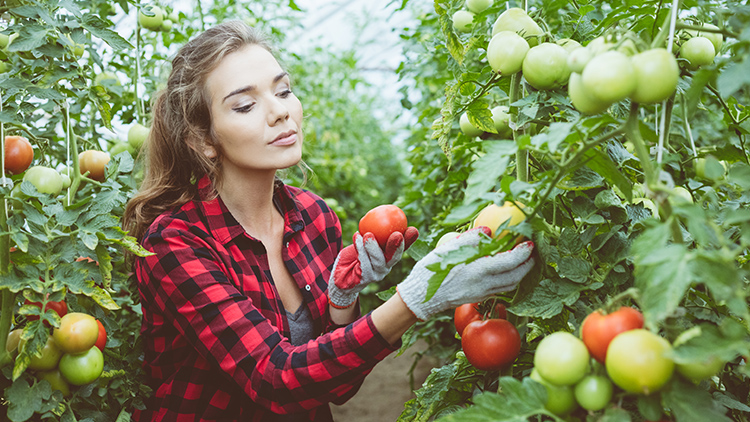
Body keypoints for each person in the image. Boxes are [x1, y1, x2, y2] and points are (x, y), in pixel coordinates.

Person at [122, 20, 536, 422]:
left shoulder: (313, 217)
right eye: (245, 105)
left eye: (283, 91)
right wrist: (415, 299)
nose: (280, 112)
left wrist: (341, 303)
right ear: (203, 140)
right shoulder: (175, 243)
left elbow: (335, 387)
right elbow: (276, 380)